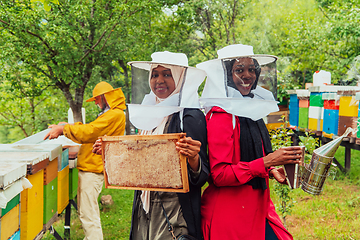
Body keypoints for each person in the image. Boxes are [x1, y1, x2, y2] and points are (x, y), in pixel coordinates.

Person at [197, 44, 302, 240]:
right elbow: (219, 175)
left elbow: (253, 154)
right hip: (230, 215)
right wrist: (267, 162)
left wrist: (271, 170)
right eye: (239, 70)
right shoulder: (221, 115)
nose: (247, 75)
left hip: (258, 206)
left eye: (251, 69)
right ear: (226, 75)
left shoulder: (250, 109)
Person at [127, 51, 210, 240]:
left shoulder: (189, 115)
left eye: (167, 74)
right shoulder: (148, 112)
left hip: (174, 208)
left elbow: (202, 175)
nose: (159, 80)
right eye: (155, 75)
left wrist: (194, 158)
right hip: (144, 203)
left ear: (180, 77)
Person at [44, 81, 126, 240]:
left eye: (96, 99)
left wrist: (64, 129)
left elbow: (90, 132)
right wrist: (67, 126)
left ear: (105, 97)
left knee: (89, 215)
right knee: (87, 212)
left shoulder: (115, 114)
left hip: (93, 171)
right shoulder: (111, 114)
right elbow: (92, 128)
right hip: (92, 169)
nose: (95, 102)